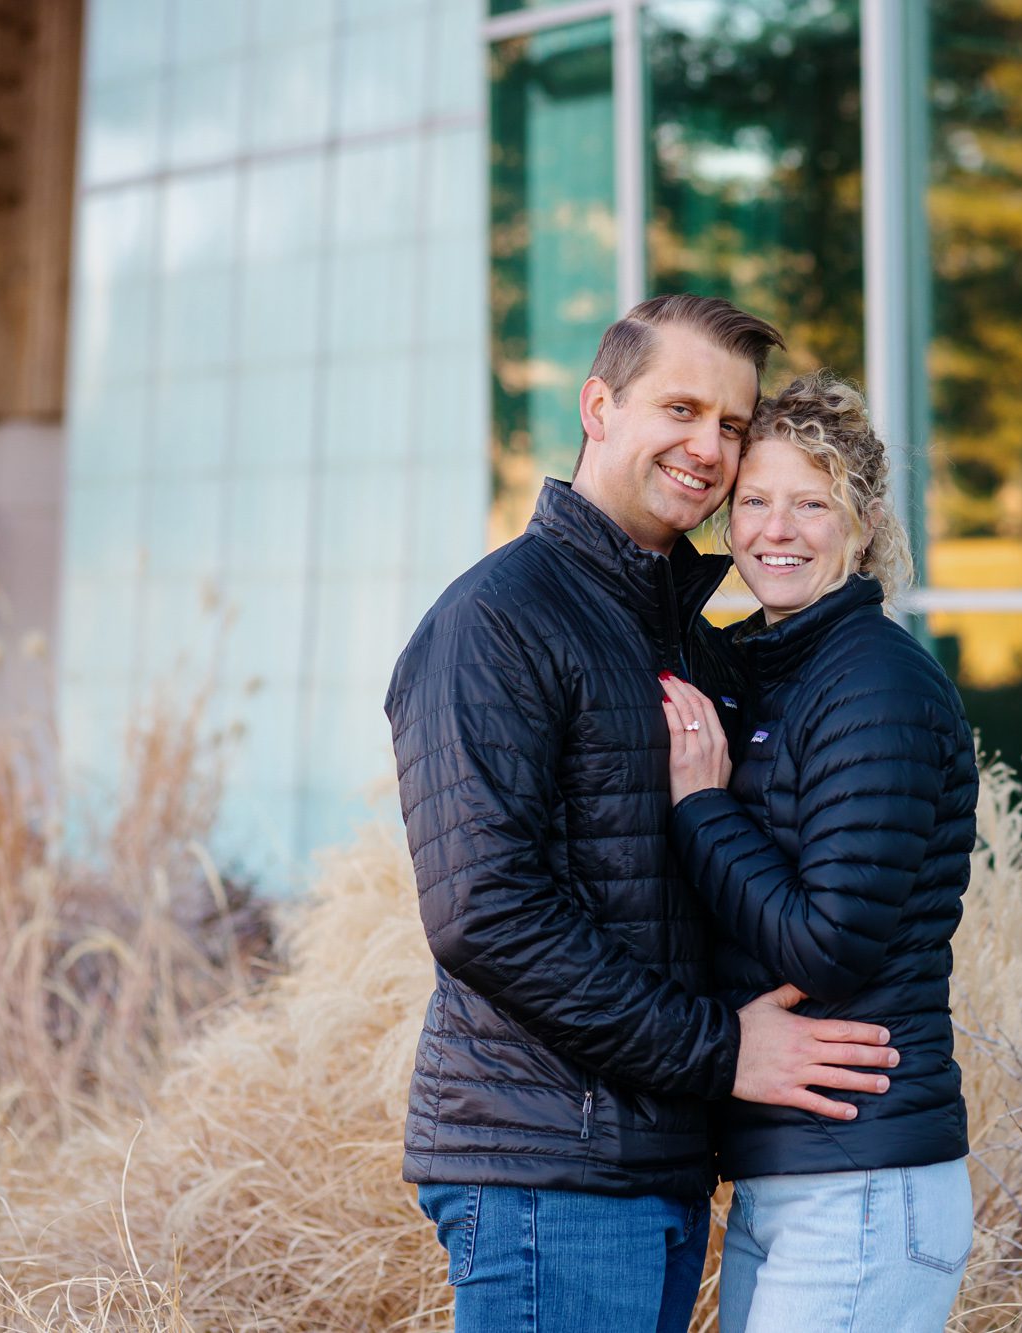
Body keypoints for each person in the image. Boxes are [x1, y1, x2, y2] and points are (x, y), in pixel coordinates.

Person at [386, 299, 903, 1333]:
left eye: (729, 423)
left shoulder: (682, 633)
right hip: (547, 1171)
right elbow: (485, 914)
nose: (706, 447)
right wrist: (723, 1050)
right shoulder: (499, 619)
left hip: (652, 1163)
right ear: (598, 406)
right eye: (679, 406)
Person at [661, 371, 980, 1332]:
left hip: (864, 1184)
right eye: (754, 501)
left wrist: (701, 806)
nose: (776, 529)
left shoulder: (874, 683)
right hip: (799, 1172)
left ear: (865, 519)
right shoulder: (785, 669)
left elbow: (830, 943)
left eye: (812, 502)